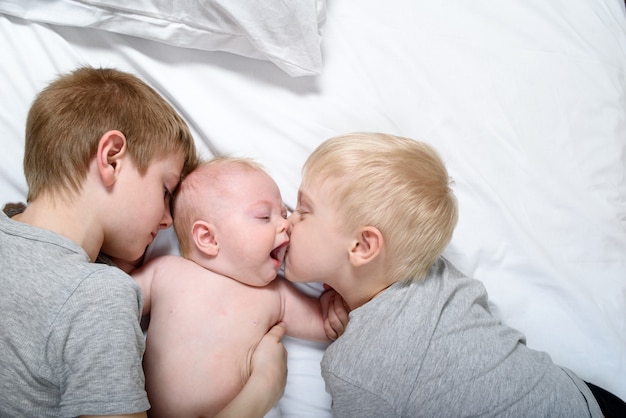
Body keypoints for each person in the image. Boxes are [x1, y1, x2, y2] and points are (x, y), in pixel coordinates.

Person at [0, 67, 287, 418]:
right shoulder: (100, 296)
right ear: (111, 159)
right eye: (165, 191)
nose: (167, 220)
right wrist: (263, 387)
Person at [283, 132, 623, 417]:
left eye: (304, 209)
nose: (288, 219)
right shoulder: (440, 274)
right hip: (585, 399)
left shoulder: (354, 371)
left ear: (362, 245)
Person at [131, 157, 349, 418]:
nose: (285, 225)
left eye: (283, 214)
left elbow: (323, 322)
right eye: (264, 216)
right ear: (208, 238)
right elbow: (108, 305)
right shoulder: (165, 272)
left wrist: (335, 308)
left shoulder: (277, 295)